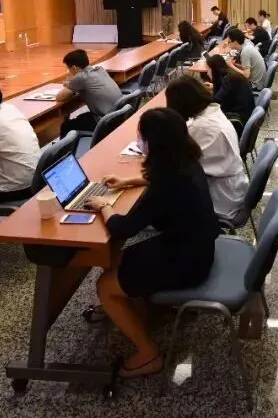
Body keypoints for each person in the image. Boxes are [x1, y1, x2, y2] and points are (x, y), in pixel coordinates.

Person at [88, 108, 220, 378]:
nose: (139, 141)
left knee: (104, 286)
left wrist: (104, 206)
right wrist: (128, 181)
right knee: (116, 258)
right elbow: (162, 180)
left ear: (154, 143)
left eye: (142, 137)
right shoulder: (186, 160)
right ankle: (140, 309)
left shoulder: (167, 183)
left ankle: (149, 354)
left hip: (187, 262)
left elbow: (123, 227)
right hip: (196, 247)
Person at [164, 76, 249, 222]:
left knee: (157, 202)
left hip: (219, 199)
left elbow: (176, 166)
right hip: (229, 187)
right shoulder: (212, 110)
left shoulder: (202, 126)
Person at [57, 49, 122, 135]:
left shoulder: (81, 77)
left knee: (66, 126)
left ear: (74, 68)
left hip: (104, 121)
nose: (69, 72)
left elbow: (60, 97)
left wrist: (72, 84)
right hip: (118, 115)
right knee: (81, 117)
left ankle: (68, 144)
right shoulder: (100, 70)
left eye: (69, 69)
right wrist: (71, 84)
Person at [204, 54, 254, 125]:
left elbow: (216, 100)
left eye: (208, 70)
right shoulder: (231, 74)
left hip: (239, 118)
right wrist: (214, 86)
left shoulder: (228, 79)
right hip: (246, 111)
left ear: (214, 69)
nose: (207, 73)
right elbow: (227, 91)